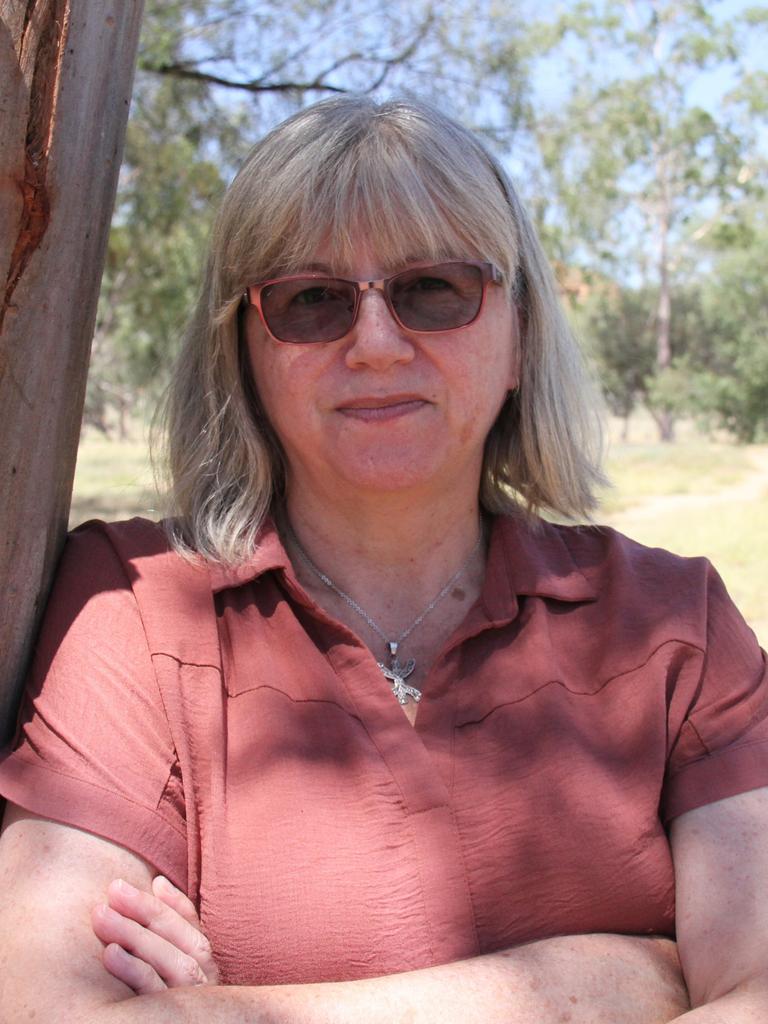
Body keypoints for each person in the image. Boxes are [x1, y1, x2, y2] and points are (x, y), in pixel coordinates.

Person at [0, 95, 766, 1024]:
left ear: (519, 333)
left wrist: (217, 1010)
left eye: (434, 288)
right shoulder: (127, 608)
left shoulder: (674, 621)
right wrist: (590, 989)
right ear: (244, 349)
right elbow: (47, 1012)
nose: (373, 344)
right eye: (311, 300)